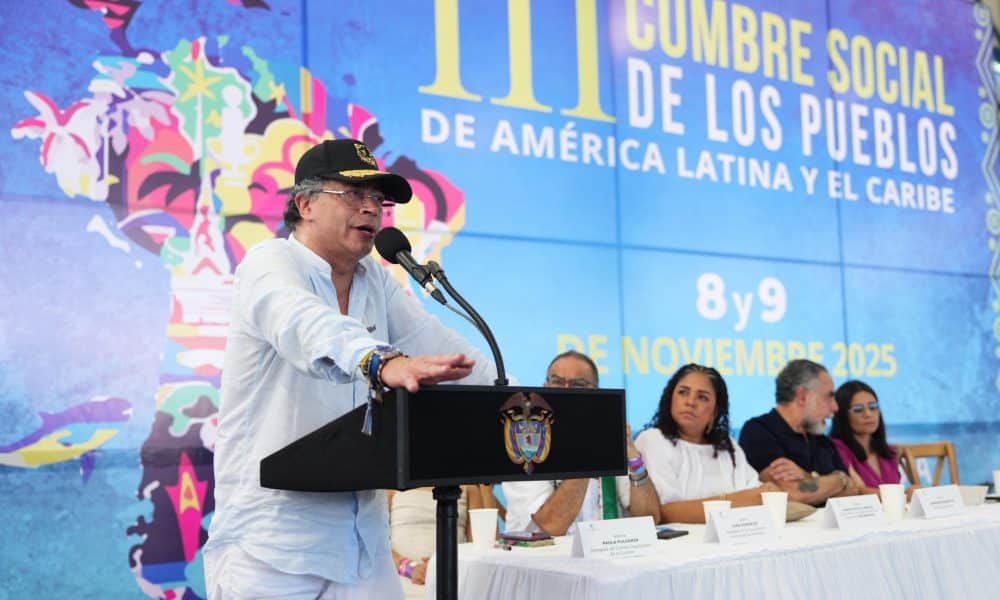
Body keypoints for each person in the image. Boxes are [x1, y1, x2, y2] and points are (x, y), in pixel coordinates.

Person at [203, 138, 496, 599]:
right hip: (272, 551)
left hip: (363, 547)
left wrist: (517, 400)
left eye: (377, 200)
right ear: (305, 204)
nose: (371, 210)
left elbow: (442, 350)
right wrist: (380, 362)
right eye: (353, 195)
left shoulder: (376, 280)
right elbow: (306, 324)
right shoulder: (270, 263)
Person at [501, 351, 661, 535]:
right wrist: (587, 450)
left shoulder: (607, 439)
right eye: (558, 382)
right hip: (541, 558)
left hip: (605, 553)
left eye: (578, 384)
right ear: (545, 387)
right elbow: (552, 525)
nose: (567, 390)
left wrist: (631, 453)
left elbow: (649, 518)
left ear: (596, 392)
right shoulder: (526, 442)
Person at [636, 364, 780, 523]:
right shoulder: (652, 440)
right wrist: (736, 501)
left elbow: (758, 497)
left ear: (715, 411)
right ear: (670, 398)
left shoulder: (727, 446)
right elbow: (664, 512)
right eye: (683, 392)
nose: (690, 402)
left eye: (702, 397)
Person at [738, 359, 858, 505]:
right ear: (802, 396)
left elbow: (852, 491)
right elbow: (791, 494)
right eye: (829, 396)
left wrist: (807, 477)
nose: (835, 407)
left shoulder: (821, 439)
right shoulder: (759, 431)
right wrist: (839, 479)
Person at [386, 485, 495, 598]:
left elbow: (481, 547)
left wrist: (446, 565)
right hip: (402, 579)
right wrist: (409, 568)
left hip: (453, 577)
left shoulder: (469, 489)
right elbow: (377, 546)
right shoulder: (392, 488)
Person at [829, 380, 903, 495]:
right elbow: (859, 491)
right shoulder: (836, 448)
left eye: (873, 407)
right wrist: (902, 495)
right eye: (858, 409)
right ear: (842, 414)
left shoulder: (889, 451)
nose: (868, 414)